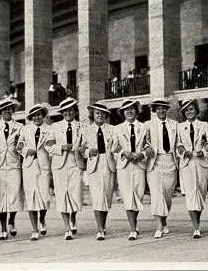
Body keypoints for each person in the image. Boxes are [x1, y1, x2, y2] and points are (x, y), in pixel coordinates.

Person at [45, 97, 85, 240]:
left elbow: (86, 143)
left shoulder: (81, 126)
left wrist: (81, 148)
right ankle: (67, 228)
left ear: (75, 112)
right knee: (62, 195)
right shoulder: (55, 127)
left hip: (76, 164)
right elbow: (48, 146)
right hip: (59, 166)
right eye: (65, 111)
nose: (68, 113)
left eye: (71, 110)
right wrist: (61, 147)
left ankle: (73, 217)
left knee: (75, 194)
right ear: (62, 112)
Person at [176, 99, 208, 239]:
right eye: (186, 110)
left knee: (201, 193)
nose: (189, 112)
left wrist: (204, 152)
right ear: (183, 113)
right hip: (187, 164)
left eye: (191, 109)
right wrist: (181, 151)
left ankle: (197, 220)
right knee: (191, 195)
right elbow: (177, 144)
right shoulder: (179, 127)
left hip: (201, 163)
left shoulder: (204, 125)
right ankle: (196, 227)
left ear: (196, 111)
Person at [114, 100, 149, 240]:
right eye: (126, 110)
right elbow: (113, 147)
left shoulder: (144, 127)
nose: (129, 112)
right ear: (123, 113)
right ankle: (133, 229)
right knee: (128, 197)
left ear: (136, 110)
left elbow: (149, 145)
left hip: (139, 165)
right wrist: (124, 153)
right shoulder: (117, 129)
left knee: (138, 195)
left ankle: (134, 222)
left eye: (132, 109)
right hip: (124, 166)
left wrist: (142, 154)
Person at [82, 102, 117, 240]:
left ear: (106, 115)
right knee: (97, 197)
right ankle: (100, 229)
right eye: (97, 113)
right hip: (94, 165)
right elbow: (80, 149)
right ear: (93, 115)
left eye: (102, 114)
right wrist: (88, 152)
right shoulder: (86, 130)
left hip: (108, 164)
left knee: (106, 197)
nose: (100, 116)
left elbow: (116, 146)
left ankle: (103, 224)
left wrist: (115, 150)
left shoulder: (112, 129)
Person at [144, 98, 178, 238]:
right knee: (157, 194)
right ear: (154, 110)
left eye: (163, 108)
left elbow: (179, 142)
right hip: (155, 162)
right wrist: (147, 147)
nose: (161, 110)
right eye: (158, 108)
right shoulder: (148, 125)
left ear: (167, 109)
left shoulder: (174, 124)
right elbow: (144, 141)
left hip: (170, 160)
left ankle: (164, 221)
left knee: (167, 195)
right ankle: (158, 226)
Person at [17, 103, 52, 241]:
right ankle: (34, 229)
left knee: (44, 197)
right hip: (29, 166)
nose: (36, 117)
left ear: (43, 116)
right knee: (31, 197)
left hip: (43, 165)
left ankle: (42, 219)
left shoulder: (49, 129)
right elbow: (19, 146)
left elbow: (52, 145)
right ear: (31, 117)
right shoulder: (25, 129)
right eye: (34, 115)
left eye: (39, 114)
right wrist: (26, 150)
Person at [0, 97, 23, 240]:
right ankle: (3, 228)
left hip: (13, 164)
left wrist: (20, 147)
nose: (7, 112)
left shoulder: (20, 127)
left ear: (13, 111)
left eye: (9, 109)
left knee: (14, 194)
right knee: (0, 196)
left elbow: (23, 143)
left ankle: (12, 219)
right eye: (4, 110)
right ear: (0, 112)